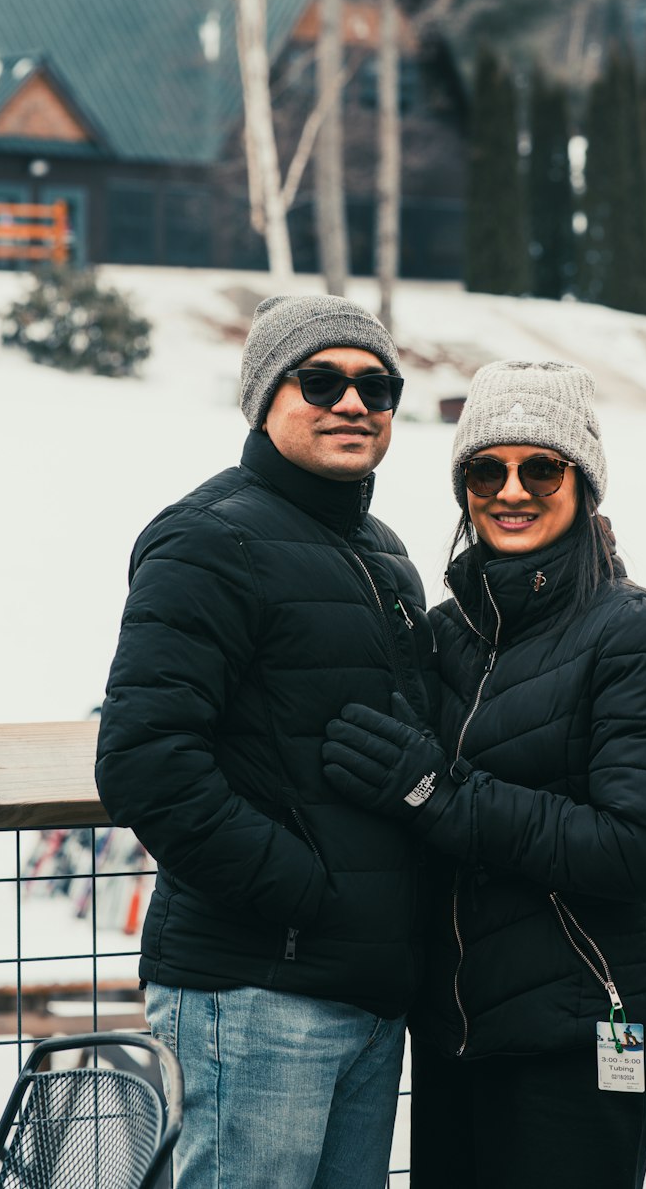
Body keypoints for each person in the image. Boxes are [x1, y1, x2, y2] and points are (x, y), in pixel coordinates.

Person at [322, 360, 646, 1189]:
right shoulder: (448, 632)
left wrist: (442, 794)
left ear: (585, 483)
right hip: (457, 1031)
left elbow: (641, 846)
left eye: (541, 467)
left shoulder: (635, 632)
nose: (511, 490)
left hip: (577, 1038)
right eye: (485, 469)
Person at [96, 294, 431, 1189]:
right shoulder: (208, 539)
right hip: (254, 989)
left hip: (366, 989)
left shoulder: (385, 552)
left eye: (377, 385)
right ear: (262, 397)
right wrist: (303, 894)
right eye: (319, 379)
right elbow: (145, 761)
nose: (353, 402)